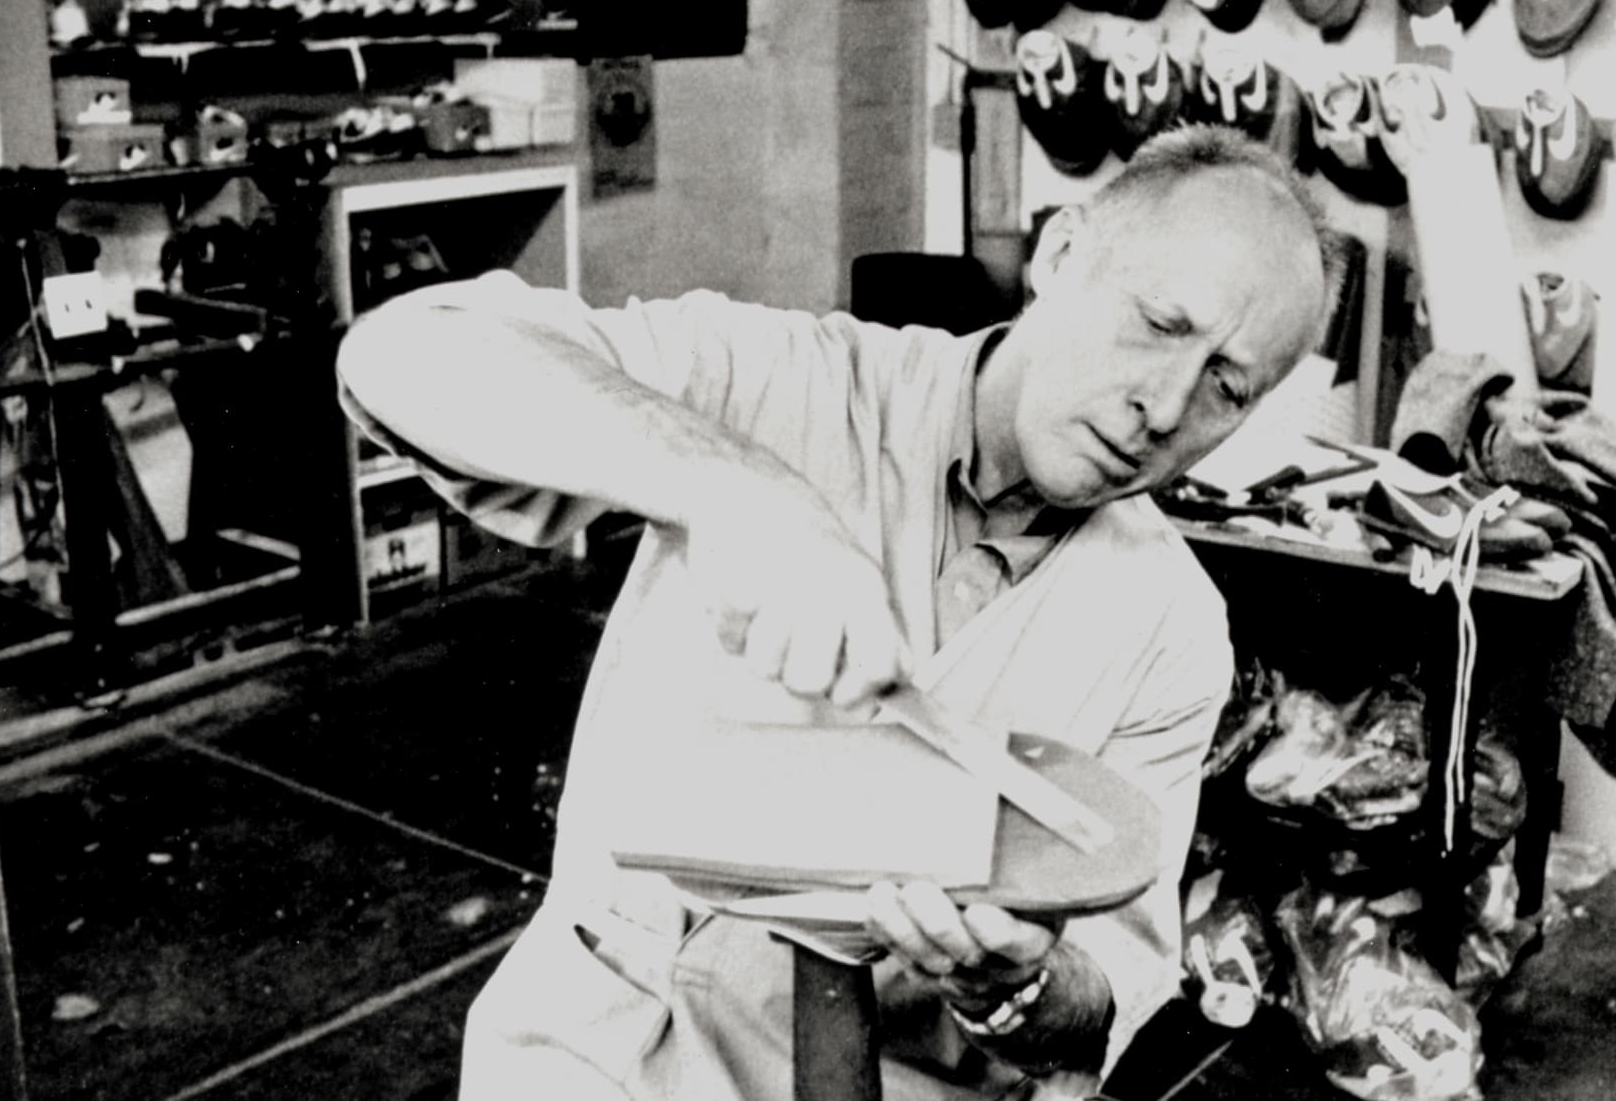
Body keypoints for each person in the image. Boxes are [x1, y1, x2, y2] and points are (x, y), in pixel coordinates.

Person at [335, 125, 1331, 1100]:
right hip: (603, 1058)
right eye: (1159, 323)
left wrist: (1018, 988)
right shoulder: (788, 381)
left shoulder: (1171, 628)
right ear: (1061, 254)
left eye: (1226, 386)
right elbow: (402, 353)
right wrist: (730, 485)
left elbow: (1101, 999)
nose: (1165, 406)